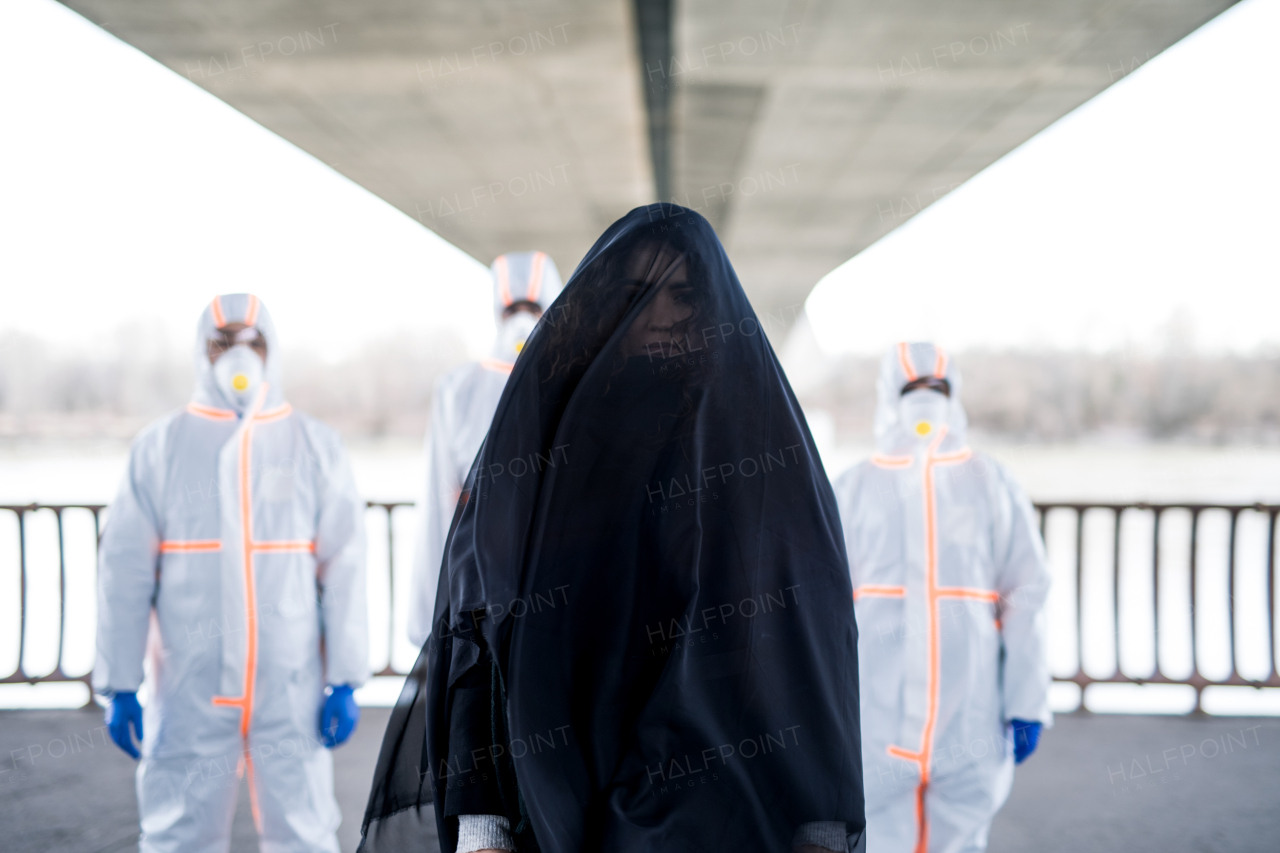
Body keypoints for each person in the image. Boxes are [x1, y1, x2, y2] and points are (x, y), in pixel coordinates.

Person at [361, 204, 865, 853]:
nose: (659, 314)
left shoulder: (762, 449)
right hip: (557, 809)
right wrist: (483, 825)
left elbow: (811, 638)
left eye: (681, 292)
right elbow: (479, 635)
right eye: (635, 294)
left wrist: (820, 826)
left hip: (732, 814)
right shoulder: (544, 452)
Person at [95, 293, 369, 853]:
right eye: (223, 343)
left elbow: (346, 565)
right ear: (202, 352)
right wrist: (119, 681)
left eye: (253, 342)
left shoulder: (313, 444)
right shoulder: (160, 447)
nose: (238, 356)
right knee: (180, 834)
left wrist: (345, 675)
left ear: (273, 351)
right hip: (188, 683)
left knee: (304, 833)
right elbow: (123, 573)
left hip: (290, 683)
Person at [832, 342, 1050, 853]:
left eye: (937, 389)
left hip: (971, 713)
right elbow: (822, 606)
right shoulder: (853, 487)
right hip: (875, 716)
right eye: (912, 389)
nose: (924, 401)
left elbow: (1027, 592)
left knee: (961, 836)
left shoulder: (991, 482)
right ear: (890, 396)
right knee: (879, 837)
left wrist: (1027, 700)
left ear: (956, 396)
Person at [407, 251, 564, 649]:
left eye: (533, 307)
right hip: (477, 596)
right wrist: (429, 621)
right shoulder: (458, 390)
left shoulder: (578, 381)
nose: (522, 319)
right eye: (512, 308)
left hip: (559, 590)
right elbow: (438, 503)